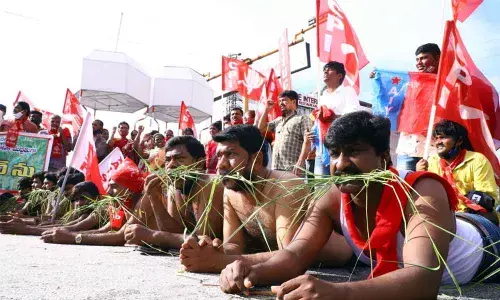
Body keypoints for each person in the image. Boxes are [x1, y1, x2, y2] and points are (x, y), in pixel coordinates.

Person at [219, 111, 500, 298]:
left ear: (382, 158)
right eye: (334, 153)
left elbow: (424, 282)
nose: (340, 164)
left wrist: (337, 292)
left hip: (487, 243)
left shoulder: (421, 190)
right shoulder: (330, 197)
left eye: (354, 152)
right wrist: (248, 271)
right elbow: (294, 255)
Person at [179, 125, 311, 273]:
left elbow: (288, 256)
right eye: (219, 156)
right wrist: (212, 251)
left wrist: (218, 261)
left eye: (230, 155)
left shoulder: (286, 186)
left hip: (333, 263)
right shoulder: (232, 190)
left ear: (258, 159)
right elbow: (234, 245)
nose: (220, 165)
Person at [123, 136, 224, 250]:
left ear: (199, 163)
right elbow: (173, 233)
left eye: (180, 158)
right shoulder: (174, 188)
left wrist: (152, 236)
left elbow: (204, 243)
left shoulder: (210, 185)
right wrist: (154, 199)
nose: (171, 165)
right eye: (167, 160)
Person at [40, 159, 145, 245]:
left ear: (130, 189)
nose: (108, 192)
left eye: (114, 187)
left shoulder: (143, 202)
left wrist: (72, 237)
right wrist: (66, 234)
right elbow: (104, 230)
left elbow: (120, 237)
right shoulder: (120, 205)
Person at [416, 120, 499, 224]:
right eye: (436, 138)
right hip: (442, 215)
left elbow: (487, 199)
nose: (438, 142)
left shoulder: (477, 160)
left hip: (472, 217)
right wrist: (419, 174)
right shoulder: (432, 162)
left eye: (443, 137)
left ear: (459, 141)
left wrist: (463, 209)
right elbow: (426, 195)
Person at [310, 61, 363, 176]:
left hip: (340, 147)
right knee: (320, 185)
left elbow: (354, 116)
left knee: (338, 183)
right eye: (324, 69)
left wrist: (332, 117)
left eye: (329, 69)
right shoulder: (322, 96)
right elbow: (318, 122)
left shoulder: (347, 91)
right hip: (322, 148)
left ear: (339, 75)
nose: (325, 71)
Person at [395, 43, 440, 171]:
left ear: (437, 59)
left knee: (430, 188)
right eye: (417, 59)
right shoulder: (409, 83)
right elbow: (391, 102)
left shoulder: (447, 83)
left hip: (433, 149)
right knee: (404, 186)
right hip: (407, 148)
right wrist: (380, 82)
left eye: (424, 58)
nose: (419, 63)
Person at [0, 181, 101, 235]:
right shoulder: (81, 211)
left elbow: (72, 228)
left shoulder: (99, 210)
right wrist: (23, 221)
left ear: (97, 197)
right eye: (76, 199)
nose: (79, 203)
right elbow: (62, 224)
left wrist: (26, 229)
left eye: (83, 198)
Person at [257, 90, 312, 175]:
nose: (281, 103)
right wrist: (266, 110)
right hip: (276, 168)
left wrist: (300, 162)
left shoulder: (303, 118)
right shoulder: (278, 120)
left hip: (293, 169)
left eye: (284, 100)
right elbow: (260, 129)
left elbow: (308, 141)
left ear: (294, 101)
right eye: (279, 101)